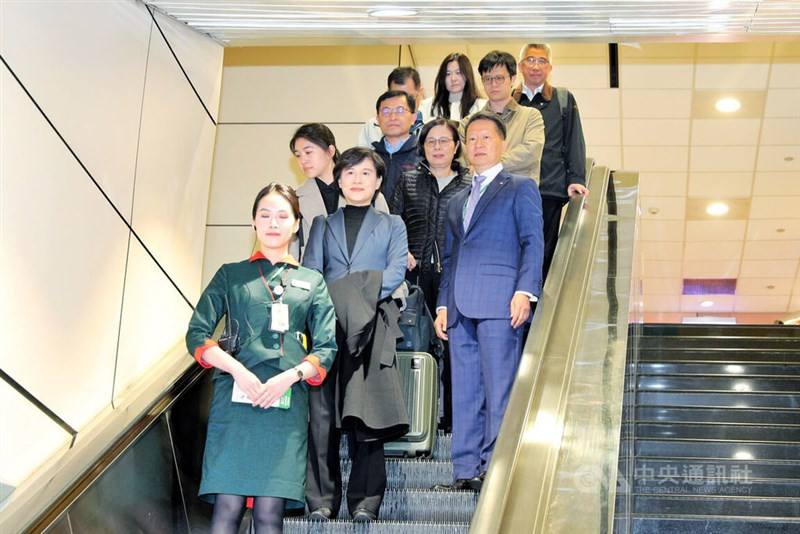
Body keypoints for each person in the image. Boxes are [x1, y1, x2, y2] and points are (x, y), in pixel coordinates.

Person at [186, 183, 337, 534]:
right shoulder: (230, 274)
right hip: (235, 400)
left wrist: (290, 376)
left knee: (270, 513)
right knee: (228, 507)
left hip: (284, 405)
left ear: (297, 223)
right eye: (265, 215)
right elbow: (197, 333)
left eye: (283, 216)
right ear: (253, 223)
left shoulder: (311, 281)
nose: (273, 223)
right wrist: (236, 369)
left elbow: (327, 346)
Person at [433, 112, 543, 492]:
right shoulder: (456, 199)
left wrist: (524, 291)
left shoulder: (520, 186)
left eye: (486, 138)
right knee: (464, 392)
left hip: (501, 302)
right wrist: (443, 305)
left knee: (500, 391)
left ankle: (495, 472)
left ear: (502, 144)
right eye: (472, 138)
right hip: (460, 307)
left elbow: (533, 242)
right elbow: (450, 258)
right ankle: (465, 471)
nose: (477, 145)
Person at [303, 147, 409, 523]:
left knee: (369, 415)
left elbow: (397, 270)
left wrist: (354, 297)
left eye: (366, 174)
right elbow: (311, 272)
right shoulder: (321, 224)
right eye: (350, 173)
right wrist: (340, 301)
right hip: (327, 328)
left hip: (373, 325)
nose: (357, 180)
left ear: (378, 181)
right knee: (322, 417)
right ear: (339, 179)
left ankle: (366, 500)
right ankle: (321, 500)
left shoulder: (393, 223)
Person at [390, 118, 471, 431]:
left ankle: (452, 419)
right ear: (422, 147)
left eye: (444, 141)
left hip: (455, 277)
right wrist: (402, 251)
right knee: (414, 344)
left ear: (455, 146)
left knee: (454, 349)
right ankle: (411, 418)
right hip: (413, 277)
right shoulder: (407, 178)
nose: (437, 147)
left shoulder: (469, 183)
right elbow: (393, 222)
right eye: (431, 141)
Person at [515, 43, 589, 280]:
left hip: (549, 188)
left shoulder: (562, 99)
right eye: (530, 60)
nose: (536, 66)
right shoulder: (510, 101)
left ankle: (537, 303)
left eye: (542, 61)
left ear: (550, 68)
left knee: (544, 249)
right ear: (520, 66)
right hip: (516, 187)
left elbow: (574, 139)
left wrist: (575, 179)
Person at [289, 123, 389, 260]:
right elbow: (292, 253)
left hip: (361, 277)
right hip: (313, 277)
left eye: (308, 152)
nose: (303, 160)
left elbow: (386, 243)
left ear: (330, 151)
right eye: (298, 155)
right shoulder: (296, 199)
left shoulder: (371, 195)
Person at [461, 50, 545, 182]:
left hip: (519, 195)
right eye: (487, 79)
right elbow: (463, 159)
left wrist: (490, 163)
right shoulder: (468, 123)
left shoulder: (531, 117)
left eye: (499, 78)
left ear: (512, 78)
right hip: (481, 195)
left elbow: (530, 153)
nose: (493, 84)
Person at [371, 90, 422, 207]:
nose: (392, 117)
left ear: (414, 117)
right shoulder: (369, 159)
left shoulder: (425, 156)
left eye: (400, 110)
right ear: (378, 118)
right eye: (386, 111)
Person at [358, 67, 426, 147]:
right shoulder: (372, 127)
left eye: (409, 97)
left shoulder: (433, 124)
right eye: (396, 95)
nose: (402, 102)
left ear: (420, 92)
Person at [419, 53, 486, 122]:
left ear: (468, 75)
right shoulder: (427, 106)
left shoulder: (482, 106)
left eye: (458, 72)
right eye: (448, 74)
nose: (453, 78)